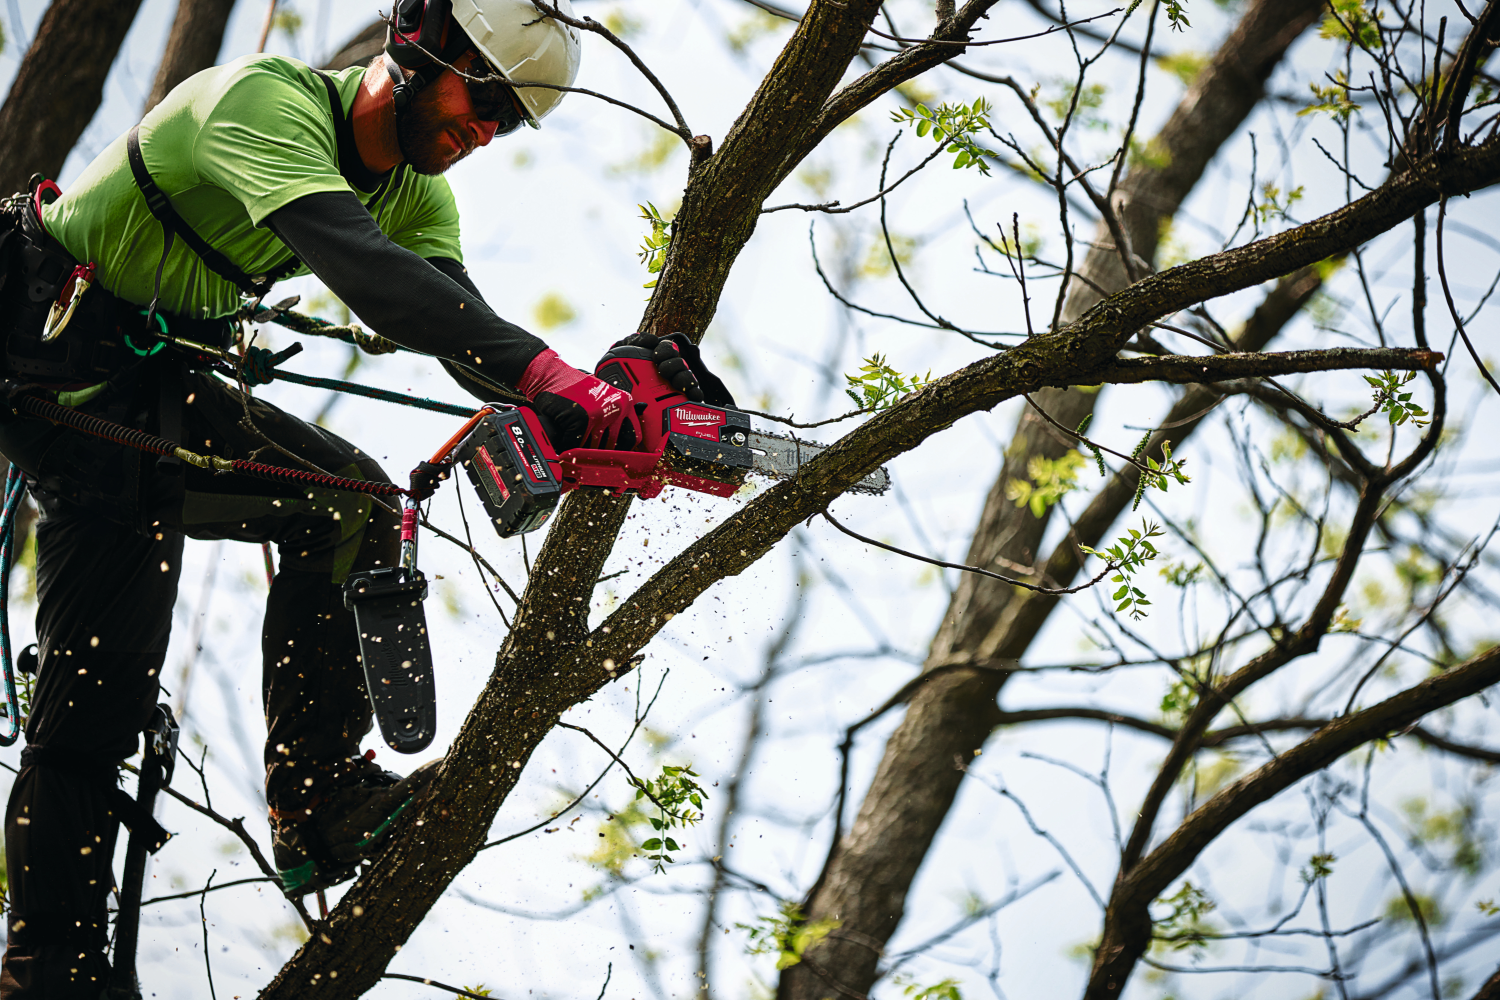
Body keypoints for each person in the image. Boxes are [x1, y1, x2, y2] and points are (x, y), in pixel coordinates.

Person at [0, 0, 647, 995]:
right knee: (107, 691)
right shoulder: (265, 104)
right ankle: (61, 955)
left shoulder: (418, 200)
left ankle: (303, 809)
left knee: (127, 675)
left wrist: (604, 393)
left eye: (506, 123)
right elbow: (371, 275)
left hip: (138, 405)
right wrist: (548, 375)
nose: (484, 132)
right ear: (423, 41)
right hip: (43, 349)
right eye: (482, 99)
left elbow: (457, 325)